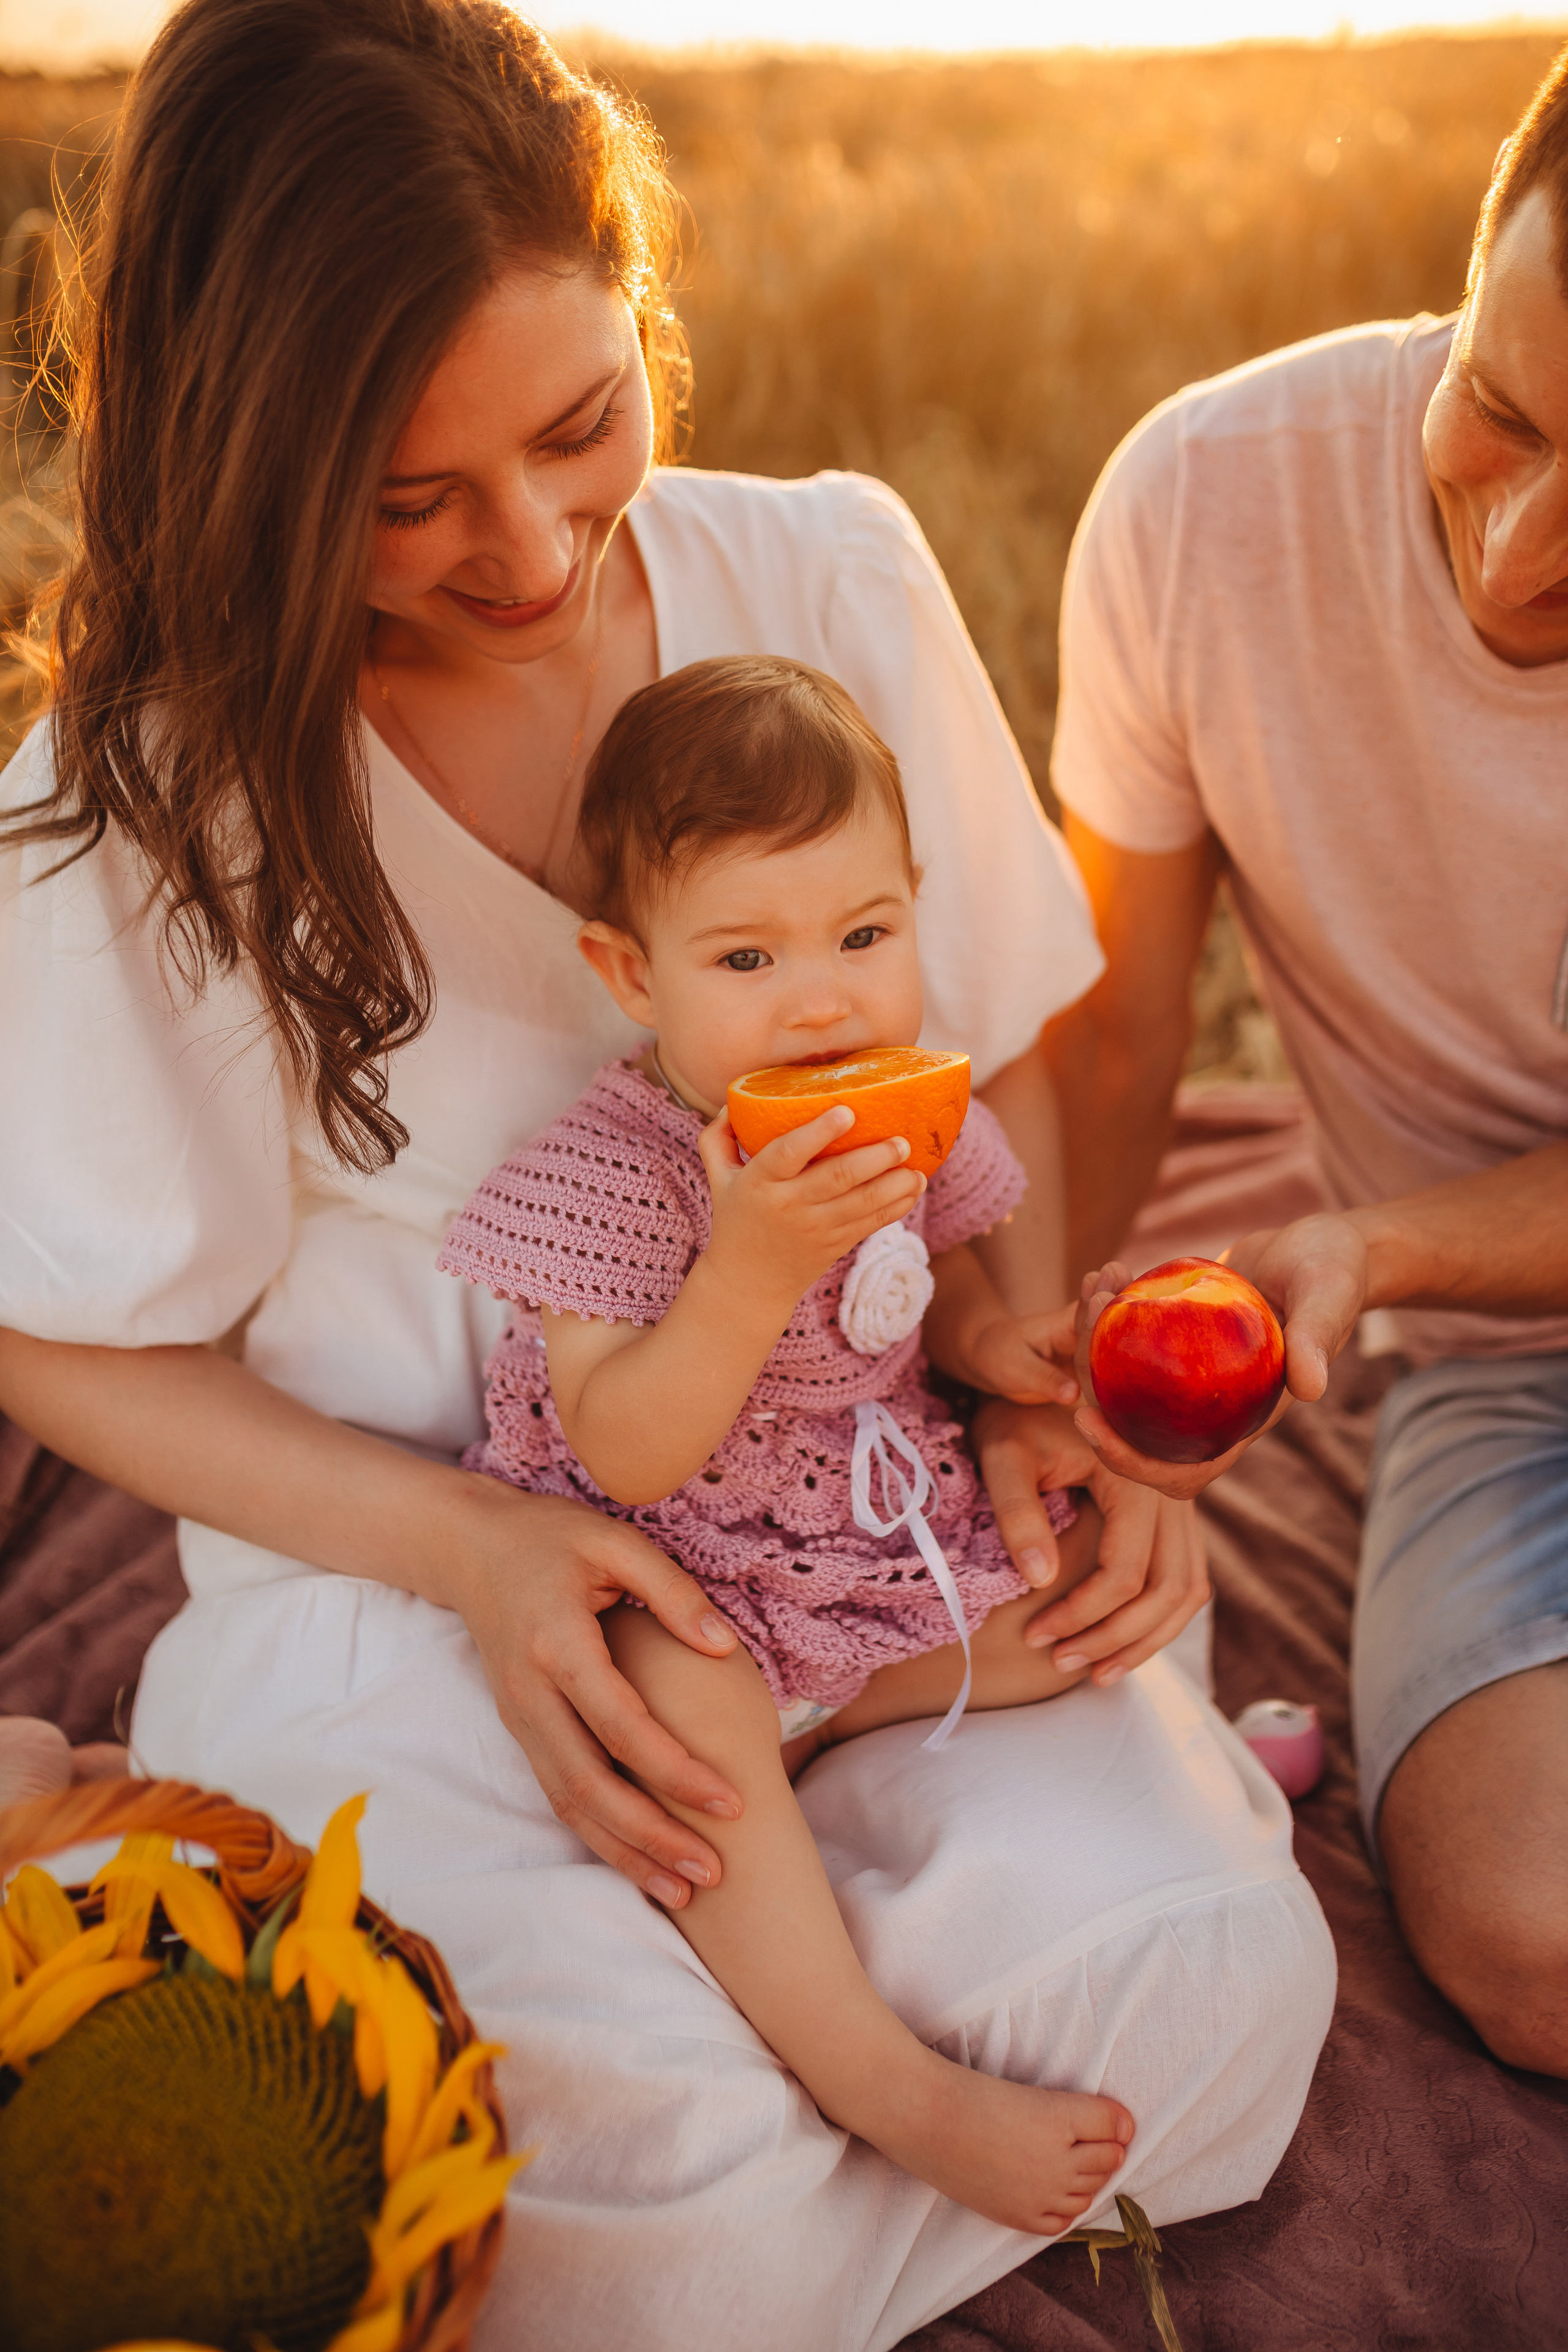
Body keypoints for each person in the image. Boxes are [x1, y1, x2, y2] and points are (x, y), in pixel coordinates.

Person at [0, 5, 1333, 2344]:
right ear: (250, 461)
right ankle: (781, 2193)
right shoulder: (139, 788)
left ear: (637, 306)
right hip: (412, 1581)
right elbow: (58, 1339)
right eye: (407, 500)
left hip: (850, 1522)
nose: (525, 550)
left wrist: (1029, 1395)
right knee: (631, 2197)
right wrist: (497, 1549)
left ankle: (788, 2182)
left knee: (1211, 1985)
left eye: (580, 426)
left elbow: (981, 1083)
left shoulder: (820, 581)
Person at [443, 652, 1137, 2233]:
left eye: (865, 937)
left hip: (856, 1532)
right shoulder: (616, 1171)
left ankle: (843, 1701)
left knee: (1093, 1556)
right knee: (678, 1712)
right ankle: (884, 2080)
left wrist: (999, 1355)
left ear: (914, 905)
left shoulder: (907, 1111)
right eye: (747, 956)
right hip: (676, 1564)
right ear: (632, 975)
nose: (824, 999)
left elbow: (929, 1295)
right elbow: (621, 1450)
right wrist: (746, 1273)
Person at [1044, 47, 1568, 2081]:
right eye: (1498, 418)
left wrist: (1377, 1242)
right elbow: (1109, 1034)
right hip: (1499, 1379)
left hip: (1418, 1278)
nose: (1519, 556)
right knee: (1529, 1936)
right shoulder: (1202, 503)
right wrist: (1046, 1394)